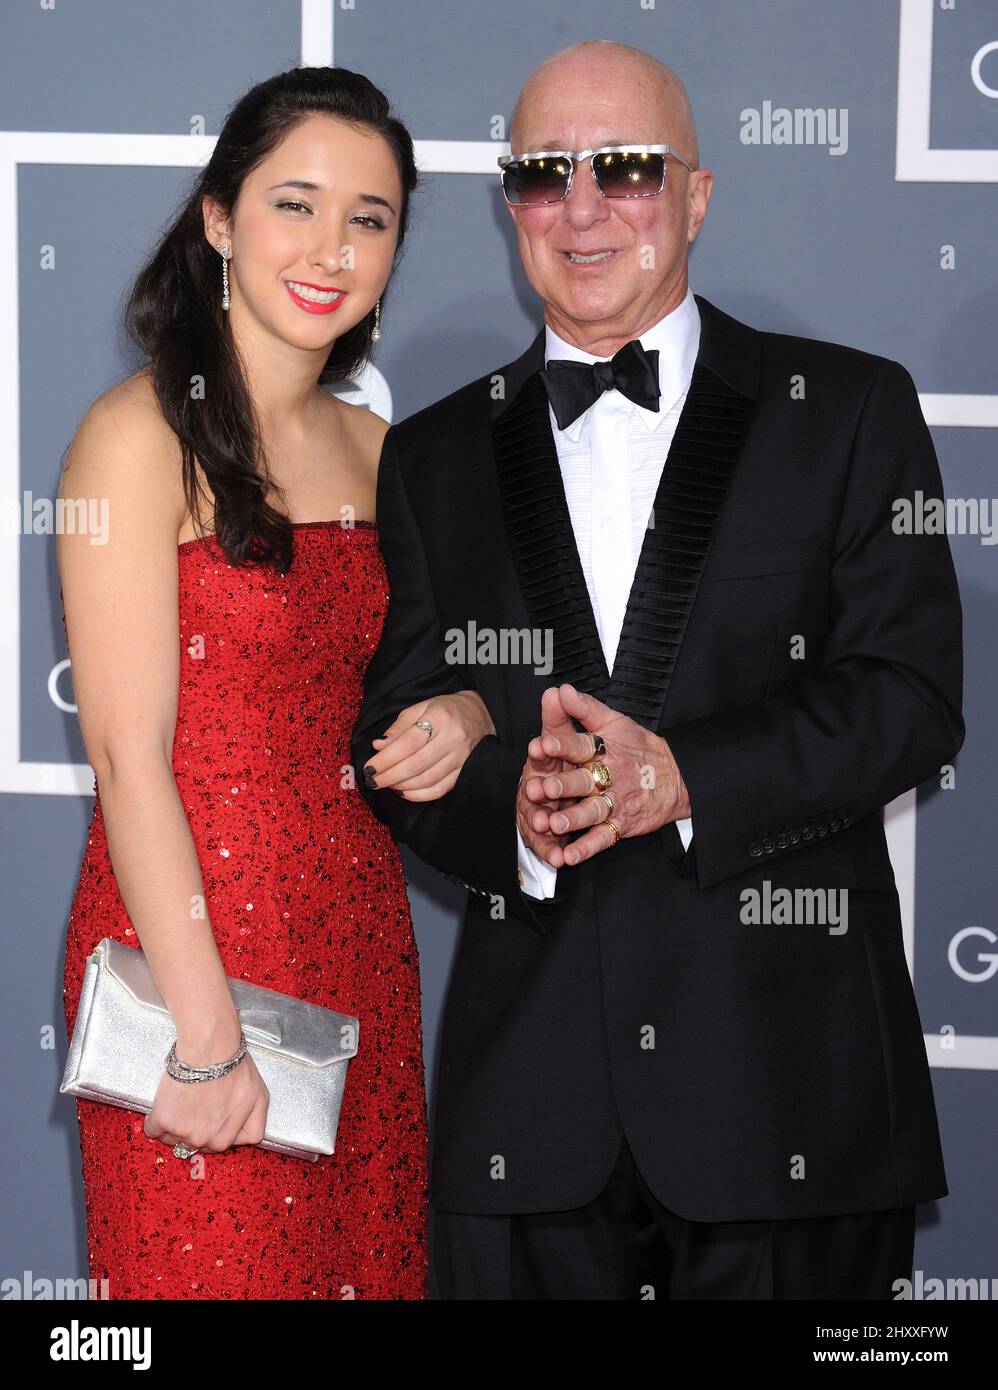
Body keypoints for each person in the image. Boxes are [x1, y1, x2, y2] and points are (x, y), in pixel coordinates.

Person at [352, 40, 964, 1299]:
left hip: (790, 1095)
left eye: (622, 168)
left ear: (693, 195)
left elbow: (908, 698)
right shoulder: (430, 458)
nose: (579, 207)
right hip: (530, 1116)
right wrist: (507, 814)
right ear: (508, 205)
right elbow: (402, 739)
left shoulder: (846, 411)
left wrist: (684, 777)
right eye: (541, 174)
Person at [59, 66, 494, 1301]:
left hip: (358, 958)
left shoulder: (384, 454)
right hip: (193, 961)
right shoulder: (135, 437)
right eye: (293, 204)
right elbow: (128, 755)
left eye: (370, 217)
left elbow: (452, 676)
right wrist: (205, 1041)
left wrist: (461, 713)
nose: (331, 248)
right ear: (217, 219)